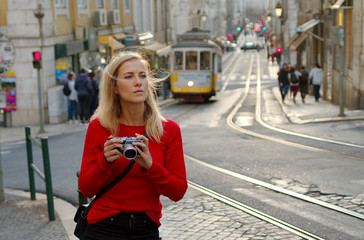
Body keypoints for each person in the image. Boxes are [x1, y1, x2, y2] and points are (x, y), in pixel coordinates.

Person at [78, 51, 187, 240]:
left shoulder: (168, 130)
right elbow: (86, 189)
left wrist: (150, 167)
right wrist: (104, 161)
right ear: (115, 87)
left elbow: (178, 192)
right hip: (103, 228)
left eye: (143, 76)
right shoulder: (99, 127)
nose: (138, 82)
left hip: (146, 229)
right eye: (128, 77)